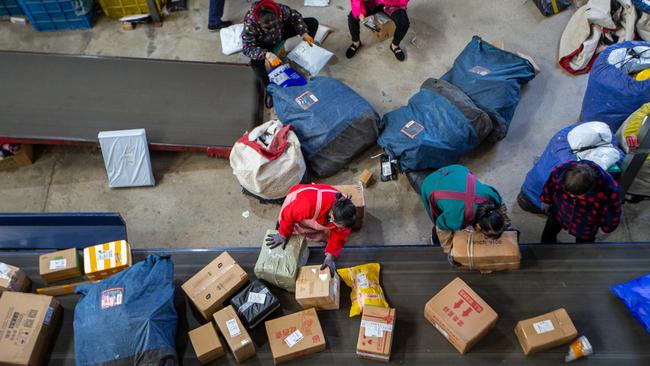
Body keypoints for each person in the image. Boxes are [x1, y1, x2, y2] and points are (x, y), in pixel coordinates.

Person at [265, 184, 357, 275]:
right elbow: (288, 215)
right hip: (296, 204)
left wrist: (330, 256)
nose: (342, 229)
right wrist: (283, 235)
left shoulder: (345, 213)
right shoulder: (307, 204)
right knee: (290, 227)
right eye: (339, 226)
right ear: (332, 217)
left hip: (317, 213)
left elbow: (340, 235)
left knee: (327, 238)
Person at [242, 0, 319, 107]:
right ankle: (270, 90)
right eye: (267, 27)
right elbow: (247, 48)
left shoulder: (282, 10)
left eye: (275, 24)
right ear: (259, 22)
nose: (272, 29)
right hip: (264, 42)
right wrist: (266, 54)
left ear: (278, 15)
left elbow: (295, 16)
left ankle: (307, 48)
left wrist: (304, 33)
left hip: (281, 33)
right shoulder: (250, 23)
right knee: (256, 64)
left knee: (312, 22)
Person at [420, 164, 511, 252]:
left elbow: (501, 207)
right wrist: (450, 250)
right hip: (432, 183)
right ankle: (434, 239)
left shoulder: (492, 196)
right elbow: (440, 226)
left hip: (457, 170)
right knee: (439, 221)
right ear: (478, 226)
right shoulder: (456, 220)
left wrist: (503, 224)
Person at [540, 160, 622, 243]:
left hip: (587, 225)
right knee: (549, 233)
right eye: (568, 193)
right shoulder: (559, 172)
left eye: (577, 195)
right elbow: (549, 186)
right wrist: (545, 200)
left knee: (584, 246)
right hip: (559, 212)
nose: (572, 196)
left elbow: (613, 212)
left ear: (590, 189)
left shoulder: (608, 189)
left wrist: (606, 229)